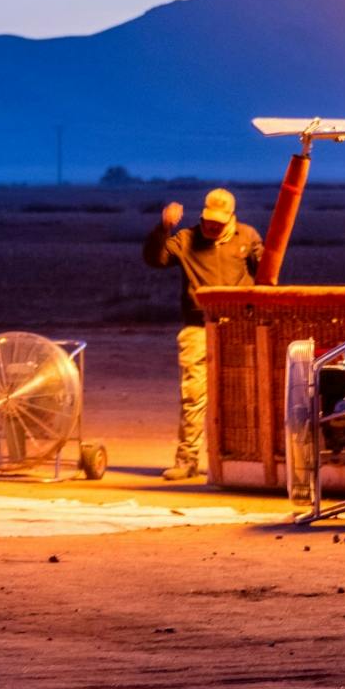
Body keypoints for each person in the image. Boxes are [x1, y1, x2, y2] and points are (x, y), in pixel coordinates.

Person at [142, 188, 263, 480]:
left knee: (242, 395)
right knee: (193, 395)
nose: (212, 226)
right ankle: (187, 460)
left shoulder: (247, 238)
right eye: (209, 220)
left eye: (219, 222)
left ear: (231, 219)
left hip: (238, 328)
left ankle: (241, 459)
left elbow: (267, 272)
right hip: (198, 327)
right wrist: (164, 227)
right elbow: (154, 259)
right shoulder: (185, 240)